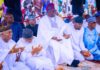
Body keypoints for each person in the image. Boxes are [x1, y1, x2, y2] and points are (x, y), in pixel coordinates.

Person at [37, 3, 81, 67]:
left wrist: (65, 34)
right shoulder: (43, 20)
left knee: (67, 41)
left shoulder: (58, 18)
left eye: (54, 10)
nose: (54, 12)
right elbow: (43, 33)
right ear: (48, 11)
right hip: (49, 39)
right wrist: (54, 38)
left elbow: (64, 27)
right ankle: (70, 61)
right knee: (56, 44)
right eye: (52, 11)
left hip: (59, 37)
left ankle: (69, 59)